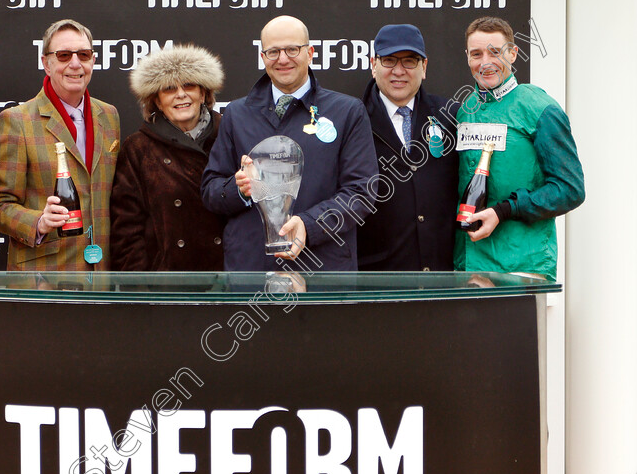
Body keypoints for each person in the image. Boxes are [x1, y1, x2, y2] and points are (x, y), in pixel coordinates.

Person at [201, 15, 377, 270]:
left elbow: (361, 191)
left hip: (321, 270)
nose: (283, 59)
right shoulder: (237, 114)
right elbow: (211, 190)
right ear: (262, 58)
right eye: (273, 51)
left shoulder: (347, 112)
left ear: (310, 53)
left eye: (292, 49)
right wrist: (239, 188)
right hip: (251, 272)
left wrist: (309, 224)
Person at [455, 16, 585, 280]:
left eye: (495, 52)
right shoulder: (465, 109)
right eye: (476, 54)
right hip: (469, 265)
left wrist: (504, 210)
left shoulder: (538, 107)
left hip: (521, 265)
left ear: (513, 54)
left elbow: (570, 189)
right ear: (467, 57)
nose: (485, 63)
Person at [0, 20, 120, 270]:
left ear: (93, 60)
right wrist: (39, 221)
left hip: (102, 276)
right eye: (63, 55)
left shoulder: (109, 116)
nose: (75, 63)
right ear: (45, 63)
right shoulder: (17, 121)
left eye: (83, 54)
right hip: (44, 278)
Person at [111, 45, 226, 270]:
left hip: (226, 283)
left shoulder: (228, 135)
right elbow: (126, 229)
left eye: (189, 85)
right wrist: (142, 290)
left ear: (203, 93)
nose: (180, 94)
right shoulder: (138, 148)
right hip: (166, 285)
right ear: (156, 100)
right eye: (169, 88)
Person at [359, 24, 459, 271]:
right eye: (389, 60)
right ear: (374, 65)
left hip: (442, 281)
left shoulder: (451, 116)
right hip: (377, 284)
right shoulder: (352, 121)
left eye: (410, 61)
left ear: (424, 67)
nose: (399, 71)